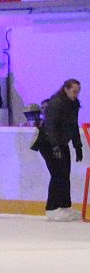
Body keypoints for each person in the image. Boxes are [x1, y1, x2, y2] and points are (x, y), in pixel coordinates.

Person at [35, 78, 83, 220]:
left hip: (61, 142)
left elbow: (73, 126)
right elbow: (51, 127)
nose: (76, 94)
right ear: (66, 89)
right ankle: (52, 208)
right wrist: (55, 146)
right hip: (48, 142)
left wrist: (78, 146)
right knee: (58, 173)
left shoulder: (73, 104)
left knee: (65, 173)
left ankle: (65, 206)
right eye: (74, 91)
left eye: (78, 92)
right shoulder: (56, 103)